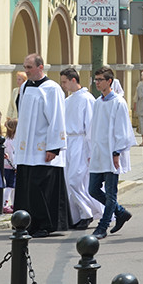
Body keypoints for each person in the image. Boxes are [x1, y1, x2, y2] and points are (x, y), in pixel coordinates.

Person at [13, 54, 68, 238]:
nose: (26, 71)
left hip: (42, 147)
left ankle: (45, 224)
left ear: (41, 67)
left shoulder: (52, 89)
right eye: (25, 67)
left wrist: (54, 147)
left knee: (40, 188)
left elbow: (57, 118)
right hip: (25, 147)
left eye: (29, 67)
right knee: (26, 187)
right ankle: (26, 223)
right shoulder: (25, 87)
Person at [88, 67, 136, 240]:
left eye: (100, 79)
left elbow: (122, 129)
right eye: (96, 80)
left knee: (110, 192)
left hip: (111, 153)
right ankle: (120, 212)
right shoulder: (97, 102)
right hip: (98, 152)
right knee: (92, 189)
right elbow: (94, 128)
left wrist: (117, 152)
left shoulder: (118, 102)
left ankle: (103, 226)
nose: (97, 83)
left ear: (109, 81)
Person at [60, 68, 103, 231]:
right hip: (68, 142)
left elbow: (92, 126)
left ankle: (87, 213)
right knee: (68, 181)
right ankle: (76, 215)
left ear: (73, 80)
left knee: (75, 180)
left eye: (64, 81)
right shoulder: (68, 100)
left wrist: (92, 150)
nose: (62, 85)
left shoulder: (87, 99)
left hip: (81, 141)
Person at [2, 118, 18, 214]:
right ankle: (4, 204)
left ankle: (14, 203)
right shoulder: (11, 141)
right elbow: (12, 156)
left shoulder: (10, 140)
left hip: (10, 166)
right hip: (11, 167)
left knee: (13, 187)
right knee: (9, 186)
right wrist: (15, 166)